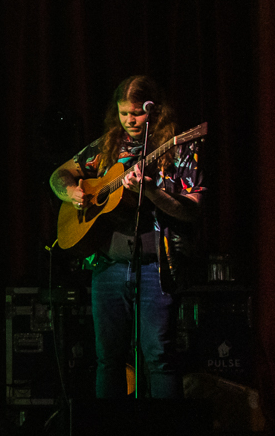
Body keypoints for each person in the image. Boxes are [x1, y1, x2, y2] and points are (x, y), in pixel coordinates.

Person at [48, 75, 202, 400]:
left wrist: (153, 193)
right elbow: (59, 174)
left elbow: (192, 209)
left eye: (137, 113)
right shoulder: (109, 145)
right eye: (123, 113)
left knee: (158, 355)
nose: (130, 121)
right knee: (108, 358)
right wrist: (73, 192)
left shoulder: (178, 148)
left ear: (155, 110)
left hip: (155, 267)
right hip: (109, 265)